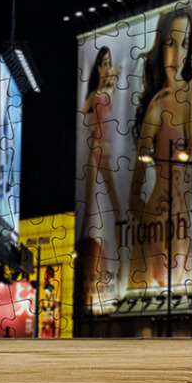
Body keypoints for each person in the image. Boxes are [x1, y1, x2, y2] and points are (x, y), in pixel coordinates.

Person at [127, 6, 192, 293]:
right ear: (160, 46)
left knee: (185, 304)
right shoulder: (156, 106)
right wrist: (150, 219)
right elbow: (134, 191)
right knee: (163, 298)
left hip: (186, 221)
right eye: (171, 43)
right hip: (161, 222)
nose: (178, 54)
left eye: (185, 43)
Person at [78, 46, 121, 307]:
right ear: (96, 67)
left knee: (116, 203)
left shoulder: (111, 90)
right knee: (87, 202)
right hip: (95, 151)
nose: (106, 68)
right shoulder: (95, 94)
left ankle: (123, 245)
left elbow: (118, 75)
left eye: (108, 63)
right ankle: (81, 249)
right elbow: (83, 112)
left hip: (106, 154)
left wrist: (113, 76)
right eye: (102, 64)